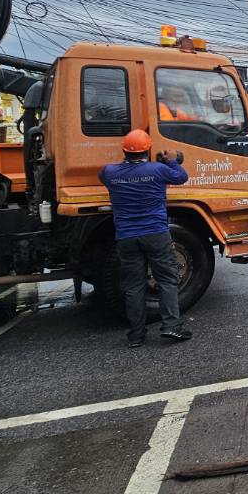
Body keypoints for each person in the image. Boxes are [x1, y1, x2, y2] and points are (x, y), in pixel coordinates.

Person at [99, 130, 191, 348]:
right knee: (166, 280)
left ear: (124, 151)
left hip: (126, 236)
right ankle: (171, 326)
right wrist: (171, 160)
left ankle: (136, 335)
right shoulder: (158, 170)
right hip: (156, 234)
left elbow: (103, 176)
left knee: (133, 286)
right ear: (148, 150)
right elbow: (181, 177)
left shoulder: (110, 172)